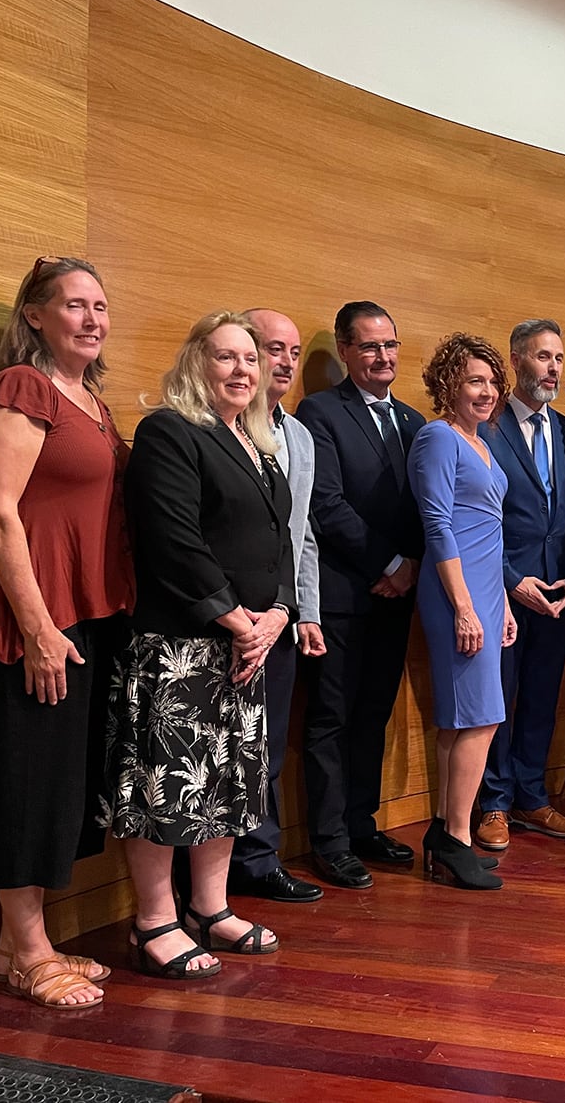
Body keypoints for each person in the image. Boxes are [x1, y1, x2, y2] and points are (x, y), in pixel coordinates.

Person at [0, 255, 134, 1009]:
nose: (93, 318)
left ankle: (22, 941)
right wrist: (34, 627)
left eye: (100, 305)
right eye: (74, 305)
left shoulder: (90, 399)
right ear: (34, 315)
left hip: (82, 616)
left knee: (59, 782)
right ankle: (26, 950)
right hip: (27, 617)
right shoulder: (22, 387)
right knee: (23, 779)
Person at [103, 312, 290, 979]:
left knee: (228, 781)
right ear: (194, 363)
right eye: (225, 357)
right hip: (179, 645)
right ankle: (155, 919)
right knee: (168, 784)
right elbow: (174, 540)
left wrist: (278, 614)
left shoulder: (259, 447)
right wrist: (238, 619)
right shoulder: (170, 431)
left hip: (245, 648)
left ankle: (210, 907)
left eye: (250, 359)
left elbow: (279, 544)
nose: (242, 370)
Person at [296, 302, 424, 889]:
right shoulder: (319, 412)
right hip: (344, 594)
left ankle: (361, 822)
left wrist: (413, 565)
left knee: (374, 713)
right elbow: (325, 504)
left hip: (397, 597)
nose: (383, 357)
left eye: (391, 345)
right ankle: (329, 839)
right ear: (345, 352)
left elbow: (429, 509)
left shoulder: (416, 423)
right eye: (370, 346)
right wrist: (390, 562)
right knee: (331, 719)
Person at [475, 319, 565, 853]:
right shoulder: (486, 425)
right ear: (517, 361)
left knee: (542, 698)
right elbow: (472, 516)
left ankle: (531, 797)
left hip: (557, 593)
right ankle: (493, 804)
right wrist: (508, 579)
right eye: (543, 357)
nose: (553, 369)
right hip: (501, 590)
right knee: (497, 699)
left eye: (560, 359)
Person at [409, 333, 517, 889]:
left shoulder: (482, 443)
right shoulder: (437, 437)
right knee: (482, 716)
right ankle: (456, 838)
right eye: (475, 379)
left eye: (493, 382)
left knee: (465, 718)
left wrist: (498, 604)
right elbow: (438, 525)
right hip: (455, 592)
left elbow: (488, 530)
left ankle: (446, 835)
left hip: (483, 591)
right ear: (448, 382)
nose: (488, 391)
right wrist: (464, 607)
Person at [226, 309, 326, 903]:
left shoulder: (300, 437)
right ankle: (208, 879)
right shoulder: (210, 429)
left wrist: (304, 610)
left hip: (281, 618)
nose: (284, 361)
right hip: (225, 619)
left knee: (266, 747)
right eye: (272, 348)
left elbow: (303, 532)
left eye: (292, 350)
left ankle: (258, 860)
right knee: (219, 750)